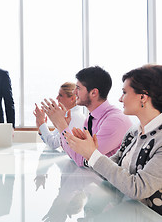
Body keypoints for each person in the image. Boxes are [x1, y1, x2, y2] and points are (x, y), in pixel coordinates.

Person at [65, 65, 162, 215]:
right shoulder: (134, 132)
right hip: (126, 212)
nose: (120, 98)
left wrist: (92, 154)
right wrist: (88, 152)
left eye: (124, 92)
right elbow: (110, 169)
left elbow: (138, 188)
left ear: (143, 97)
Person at [41, 66, 132, 167]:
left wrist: (61, 125)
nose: (74, 92)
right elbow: (75, 155)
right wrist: (64, 126)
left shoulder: (114, 121)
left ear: (93, 93)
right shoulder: (90, 119)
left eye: (78, 88)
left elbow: (83, 159)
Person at [34, 82, 85, 149]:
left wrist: (41, 123)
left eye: (60, 95)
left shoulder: (74, 117)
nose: (57, 98)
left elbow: (53, 144)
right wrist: (41, 128)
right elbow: (52, 138)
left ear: (72, 99)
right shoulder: (69, 114)